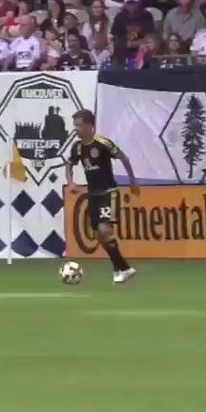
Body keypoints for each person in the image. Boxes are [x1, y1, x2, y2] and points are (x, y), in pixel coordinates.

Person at [65, 109, 140, 284]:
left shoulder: (102, 143)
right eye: (74, 125)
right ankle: (119, 268)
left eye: (79, 125)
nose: (75, 129)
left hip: (108, 192)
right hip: (93, 195)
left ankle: (125, 268)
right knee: (99, 235)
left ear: (89, 126)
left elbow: (124, 158)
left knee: (105, 230)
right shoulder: (76, 147)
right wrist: (70, 183)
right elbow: (69, 164)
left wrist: (133, 182)